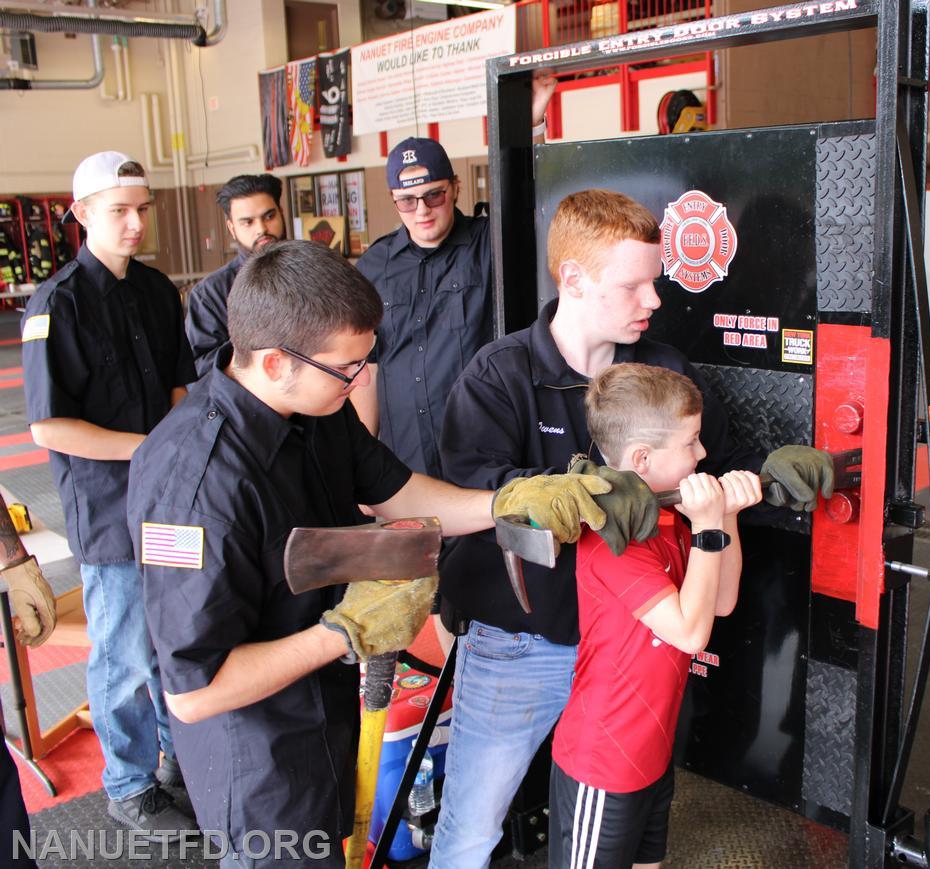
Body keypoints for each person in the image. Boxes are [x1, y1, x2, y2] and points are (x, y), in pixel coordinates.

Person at [126, 239, 645, 869]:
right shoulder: (195, 484)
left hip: (330, 716)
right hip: (259, 762)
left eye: (367, 362)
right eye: (347, 368)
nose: (362, 381)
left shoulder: (316, 406)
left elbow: (395, 492)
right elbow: (194, 692)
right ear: (271, 363)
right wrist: (344, 631)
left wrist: (505, 502)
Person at [430, 189, 834, 868]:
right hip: (521, 647)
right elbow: (474, 498)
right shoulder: (499, 376)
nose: (654, 299)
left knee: (628, 823)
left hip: (634, 653)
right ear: (574, 280)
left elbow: (713, 474)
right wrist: (569, 494)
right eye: (635, 283)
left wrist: (770, 481)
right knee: (472, 827)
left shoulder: (663, 370)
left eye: (656, 280)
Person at [20, 151, 197, 838]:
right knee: (123, 650)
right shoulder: (56, 304)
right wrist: (148, 447)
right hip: (107, 510)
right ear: (82, 214)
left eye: (142, 209)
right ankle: (127, 782)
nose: (134, 222)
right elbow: (47, 424)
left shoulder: (156, 291)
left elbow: (181, 384)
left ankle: (177, 760)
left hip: (171, 499)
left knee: (176, 634)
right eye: (119, 210)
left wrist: (178, 448)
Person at [548, 363, 761, 868]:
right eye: (690, 443)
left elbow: (722, 601)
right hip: (602, 761)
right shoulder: (612, 540)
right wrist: (709, 529)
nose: (703, 454)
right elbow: (689, 633)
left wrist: (725, 517)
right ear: (641, 458)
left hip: (651, 754)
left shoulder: (668, 518)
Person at [352, 70, 556, 477]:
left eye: (433, 195)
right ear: (394, 202)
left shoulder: (489, 244)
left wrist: (531, 124)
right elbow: (368, 367)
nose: (422, 210)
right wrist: (361, 461)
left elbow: (531, 201)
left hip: (482, 450)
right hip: (403, 457)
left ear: (456, 188)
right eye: (407, 201)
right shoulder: (375, 264)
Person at [186, 174, 286, 377]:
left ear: (281, 213)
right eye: (248, 222)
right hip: (248, 404)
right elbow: (200, 366)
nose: (262, 229)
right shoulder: (210, 293)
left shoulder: (312, 270)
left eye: (269, 216)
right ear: (232, 228)